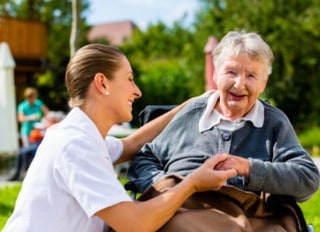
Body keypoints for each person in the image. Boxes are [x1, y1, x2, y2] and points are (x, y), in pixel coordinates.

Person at [3, 44, 237, 232]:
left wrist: (191, 105)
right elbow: (135, 224)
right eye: (129, 79)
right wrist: (193, 183)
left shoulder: (81, 135)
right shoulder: (75, 144)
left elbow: (132, 144)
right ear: (102, 83)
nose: (137, 91)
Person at [128, 30, 320, 201]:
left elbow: (308, 178)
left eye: (251, 76)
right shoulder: (191, 114)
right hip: (180, 216)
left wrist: (247, 168)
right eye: (231, 72)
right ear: (216, 74)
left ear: (264, 82)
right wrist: (167, 188)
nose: (239, 84)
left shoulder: (273, 123)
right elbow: (145, 158)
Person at [7, 111, 65, 181]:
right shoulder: (44, 125)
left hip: (41, 146)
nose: (47, 118)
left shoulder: (54, 126)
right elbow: (33, 137)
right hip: (36, 144)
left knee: (25, 153)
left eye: (49, 118)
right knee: (21, 152)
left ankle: (25, 174)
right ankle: (17, 173)